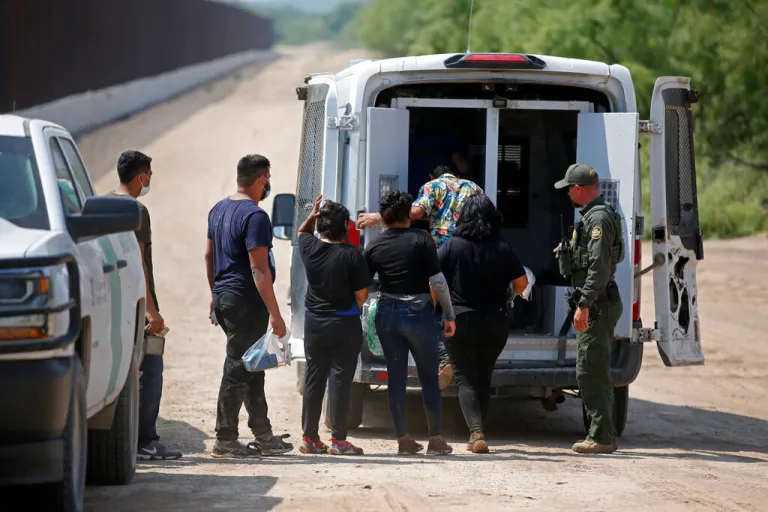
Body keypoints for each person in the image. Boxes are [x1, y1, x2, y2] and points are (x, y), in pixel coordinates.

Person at [358, 164, 482, 389]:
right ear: (456, 174)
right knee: (461, 303)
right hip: (470, 254)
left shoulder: (433, 186)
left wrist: (379, 217)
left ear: (431, 175)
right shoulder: (474, 187)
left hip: (441, 252)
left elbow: (414, 212)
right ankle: (460, 352)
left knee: (433, 304)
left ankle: (439, 353)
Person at [204, 154, 292, 458]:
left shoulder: (218, 209)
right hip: (245, 301)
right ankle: (225, 438)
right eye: (268, 179)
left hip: (226, 298)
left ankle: (263, 434)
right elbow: (259, 269)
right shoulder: (255, 216)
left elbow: (209, 256)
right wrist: (276, 315)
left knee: (254, 365)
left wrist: (215, 293)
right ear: (262, 178)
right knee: (239, 367)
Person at [362, 190, 456, 456]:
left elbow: (363, 286)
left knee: (396, 379)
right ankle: (435, 441)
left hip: (386, 315)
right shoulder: (422, 238)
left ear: (384, 216)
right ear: (409, 214)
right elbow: (438, 282)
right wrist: (449, 315)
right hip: (418, 315)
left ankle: (403, 440)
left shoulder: (374, 245)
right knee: (429, 378)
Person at [437, 194, 528, 453]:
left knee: (465, 377)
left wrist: (439, 308)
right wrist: (507, 293)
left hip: (459, 321)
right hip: (495, 321)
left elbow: (434, 280)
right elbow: (522, 284)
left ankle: (476, 433)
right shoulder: (502, 247)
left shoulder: (451, 246)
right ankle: (478, 432)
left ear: (462, 216)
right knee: (483, 377)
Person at [109, 150, 182, 460]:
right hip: (136, 304)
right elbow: (139, 261)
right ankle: (145, 441)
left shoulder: (102, 204)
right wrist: (151, 310)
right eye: (149, 175)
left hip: (110, 302)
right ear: (141, 176)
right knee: (150, 370)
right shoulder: (137, 210)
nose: (150, 180)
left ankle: (122, 437)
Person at [553, 163, 624, 454]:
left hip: (598, 305)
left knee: (591, 370)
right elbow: (592, 259)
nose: (568, 194)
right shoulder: (595, 215)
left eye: (569, 189)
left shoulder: (598, 219)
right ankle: (601, 433)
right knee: (593, 369)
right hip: (598, 302)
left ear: (578, 189)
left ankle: (601, 437)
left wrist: (584, 304)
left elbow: (600, 267)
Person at [296, 195, 371, 456]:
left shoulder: (309, 247)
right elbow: (362, 296)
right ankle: (339, 441)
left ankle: (309, 438)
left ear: (320, 224)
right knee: (340, 380)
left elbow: (302, 231)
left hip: (314, 323)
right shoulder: (352, 255)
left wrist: (312, 215)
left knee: (314, 379)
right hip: (344, 323)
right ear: (345, 227)